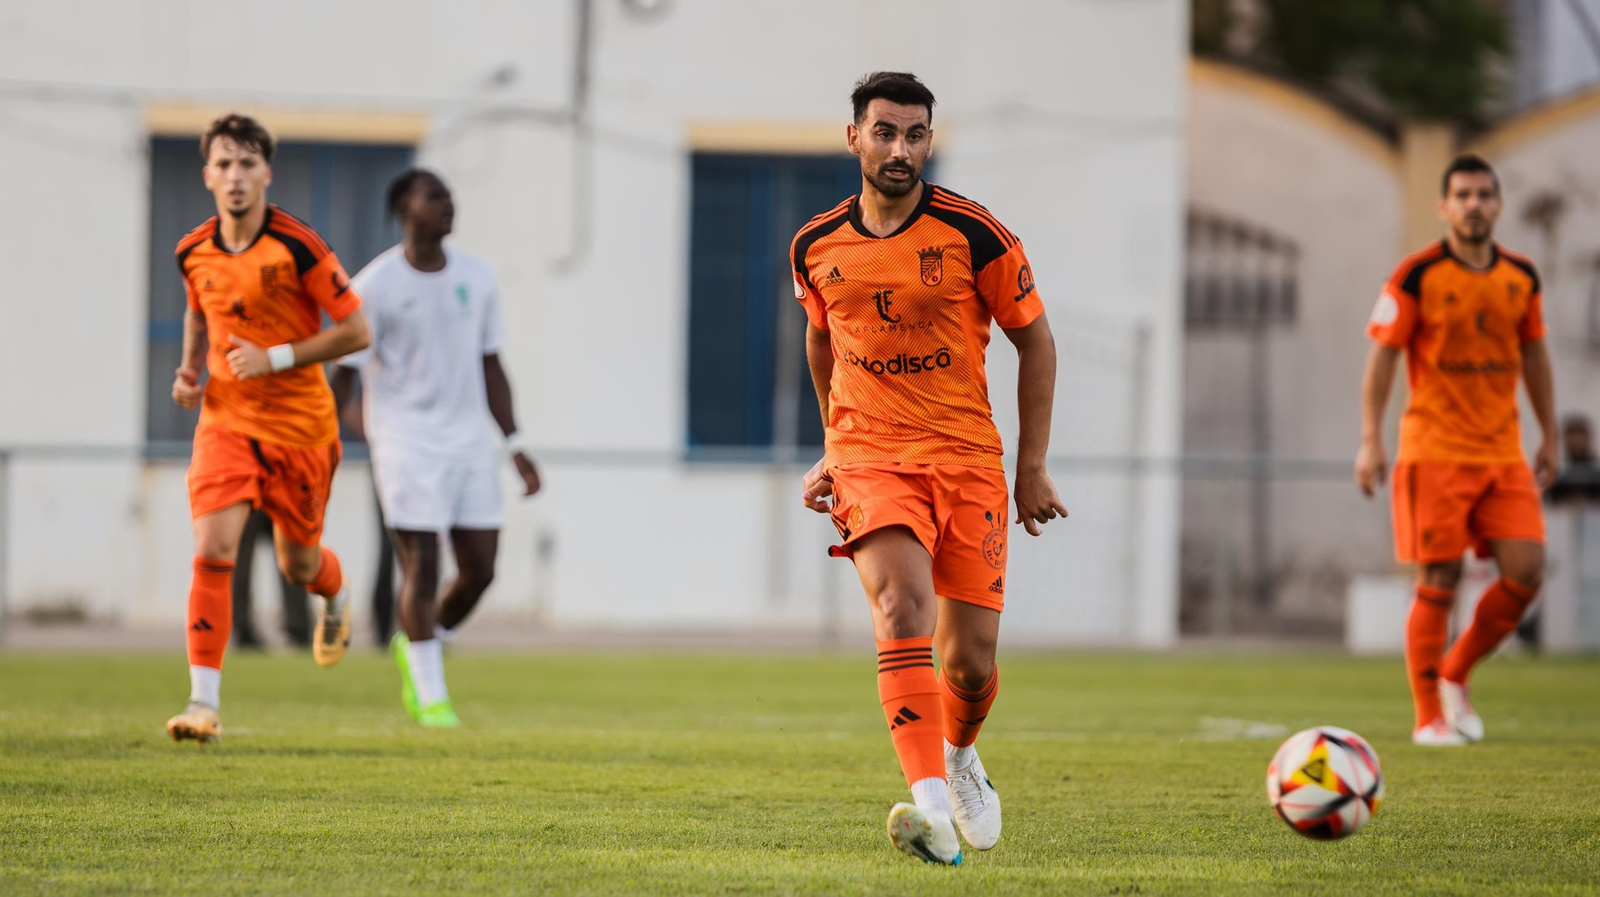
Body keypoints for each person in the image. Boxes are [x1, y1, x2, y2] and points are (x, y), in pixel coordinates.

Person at [793, 72, 1065, 865]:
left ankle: (960, 753)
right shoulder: (815, 244)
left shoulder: (975, 234)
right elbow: (821, 338)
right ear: (854, 137)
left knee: (970, 665)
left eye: (914, 135)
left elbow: (1036, 341)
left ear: (929, 142)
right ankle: (933, 809)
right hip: (870, 457)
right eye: (884, 132)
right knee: (900, 602)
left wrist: (1032, 467)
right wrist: (832, 443)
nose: (899, 149)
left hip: (967, 459)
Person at [166, 113, 370, 744]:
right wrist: (189, 371)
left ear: (266, 174)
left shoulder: (298, 246)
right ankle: (203, 704)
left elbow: (356, 331)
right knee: (213, 549)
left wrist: (275, 357)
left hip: (301, 430)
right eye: (224, 164)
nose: (235, 176)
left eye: (247, 164)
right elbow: (198, 310)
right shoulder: (192, 250)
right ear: (207, 175)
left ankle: (334, 595)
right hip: (226, 421)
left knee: (297, 564)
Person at [1355, 153, 1557, 747]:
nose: (1474, 205)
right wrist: (1370, 440)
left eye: (1484, 195)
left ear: (1498, 205)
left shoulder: (1522, 276)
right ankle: (1429, 718)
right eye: (1463, 195)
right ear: (1444, 206)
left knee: (1527, 572)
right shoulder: (1416, 275)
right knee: (1438, 578)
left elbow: (1535, 354)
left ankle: (1455, 672)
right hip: (1434, 449)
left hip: (1503, 453)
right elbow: (1382, 358)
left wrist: (1548, 433)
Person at [331, 168, 540, 728]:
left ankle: (422, 640)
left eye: (449, 196)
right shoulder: (374, 285)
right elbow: (343, 378)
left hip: (468, 441)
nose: (448, 205)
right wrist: (340, 437)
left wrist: (516, 445)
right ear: (405, 208)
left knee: (481, 569)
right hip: (404, 440)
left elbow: (491, 365)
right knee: (421, 564)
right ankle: (431, 696)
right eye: (434, 197)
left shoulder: (478, 276)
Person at [231, 508, 310, 648]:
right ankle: (242, 630)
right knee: (241, 563)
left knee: (292, 557)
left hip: (279, 499)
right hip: (249, 500)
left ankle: (299, 628)